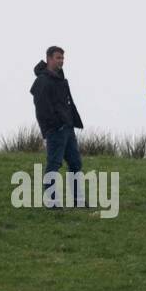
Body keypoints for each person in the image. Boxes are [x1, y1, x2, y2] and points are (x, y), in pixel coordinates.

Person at [30, 45, 85, 207]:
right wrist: (53, 127)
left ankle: (78, 200)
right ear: (49, 58)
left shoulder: (61, 78)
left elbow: (67, 103)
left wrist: (71, 121)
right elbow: (41, 109)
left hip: (68, 128)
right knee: (53, 165)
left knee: (75, 164)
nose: (61, 61)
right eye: (57, 58)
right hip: (55, 131)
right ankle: (51, 201)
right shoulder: (42, 81)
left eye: (62, 58)